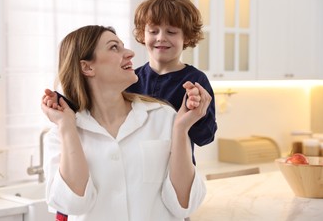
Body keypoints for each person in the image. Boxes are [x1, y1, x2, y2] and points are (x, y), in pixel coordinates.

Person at [41, 25, 206, 221]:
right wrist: (67, 127)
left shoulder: (164, 117)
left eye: (123, 46)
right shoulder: (61, 134)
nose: (129, 53)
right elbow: (73, 204)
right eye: (114, 47)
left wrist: (181, 129)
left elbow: (184, 205)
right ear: (87, 67)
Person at [127, 0, 217, 153]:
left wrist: (197, 112)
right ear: (142, 34)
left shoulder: (196, 81)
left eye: (171, 32)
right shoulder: (130, 79)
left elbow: (206, 137)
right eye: (153, 31)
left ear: (187, 37)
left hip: (178, 173)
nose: (161, 37)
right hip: (137, 172)